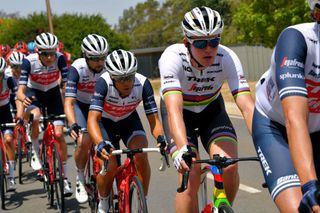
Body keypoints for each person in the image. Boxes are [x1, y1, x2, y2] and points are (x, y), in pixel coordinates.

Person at [159, 6, 254, 213]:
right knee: (190, 174)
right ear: (186, 43)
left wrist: (266, 143)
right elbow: (174, 110)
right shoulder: (172, 58)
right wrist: (182, 149)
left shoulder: (227, 57)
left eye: (214, 41)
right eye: (201, 43)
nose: (209, 49)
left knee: (228, 165)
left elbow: (247, 107)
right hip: (180, 114)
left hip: (211, 110)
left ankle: (221, 208)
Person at [252, 0, 320, 212]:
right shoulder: (297, 39)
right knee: (303, 207)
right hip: (277, 126)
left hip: (316, 129)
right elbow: (295, 118)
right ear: (317, 14)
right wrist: (309, 185)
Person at [87, 49, 167, 213]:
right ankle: (103, 202)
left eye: (130, 77)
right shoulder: (103, 83)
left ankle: (142, 199)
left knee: (141, 154)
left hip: (128, 120)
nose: (127, 83)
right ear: (112, 77)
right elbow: (92, 120)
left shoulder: (143, 84)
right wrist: (100, 143)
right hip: (105, 123)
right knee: (110, 164)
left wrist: (161, 139)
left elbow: (154, 121)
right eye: (121, 79)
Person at [15, 32, 72, 196]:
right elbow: (20, 91)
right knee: (36, 116)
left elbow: (66, 87)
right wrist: (24, 100)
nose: (49, 57)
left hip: (53, 93)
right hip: (34, 92)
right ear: (38, 52)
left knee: (59, 134)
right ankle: (33, 146)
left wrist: (68, 105)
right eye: (45, 54)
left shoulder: (60, 59)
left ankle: (65, 177)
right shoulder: (29, 61)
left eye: (52, 53)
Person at [64, 34, 109, 203]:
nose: (100, 63)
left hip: (102, 107)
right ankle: (80, 179)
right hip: (82, 106)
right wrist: (72, 123)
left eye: (102, 58)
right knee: (84, 140)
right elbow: (69, 101)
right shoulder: (77, 68)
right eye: (95, 58)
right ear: (85, 56)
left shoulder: (108, 67)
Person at [0, 57, 18, 191]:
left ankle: (11, 176)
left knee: (8, 139)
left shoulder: (9, 79)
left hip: (5, 111)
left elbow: (17, 97)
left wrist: (19, 115)